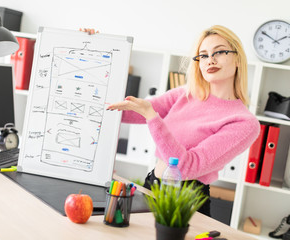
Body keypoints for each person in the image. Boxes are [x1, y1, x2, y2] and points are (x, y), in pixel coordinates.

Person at [84, 26, 260, 216]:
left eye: (219, 52)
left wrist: (151, 116)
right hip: (152, 184)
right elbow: (126, 112)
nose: (210, 60)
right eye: (204, 55)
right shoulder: (186, 94)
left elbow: (185, 167)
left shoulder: (244, 123)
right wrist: (93, 50)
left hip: (186, 201)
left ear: (238, 59)